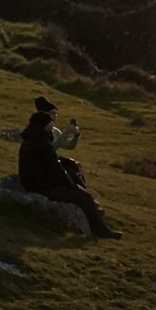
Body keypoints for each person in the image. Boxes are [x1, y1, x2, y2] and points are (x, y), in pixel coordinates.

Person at [17, 95, 116, 237]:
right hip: (42, 185)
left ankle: (96, 220)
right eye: (51, 121)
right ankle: (100, 230)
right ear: (45, 125)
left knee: (72, 170)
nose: (53, 124)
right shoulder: (42, 142)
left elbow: (50, 162)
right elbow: (54, 166)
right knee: (83, 197)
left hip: (35, 182)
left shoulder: (32, 138)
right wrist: (70, 185)